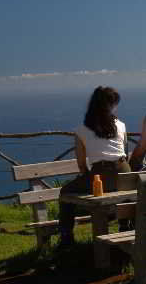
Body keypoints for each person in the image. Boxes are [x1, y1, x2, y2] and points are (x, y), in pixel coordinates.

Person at [58, 86, 131, 248]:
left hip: (100, 176)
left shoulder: (81, 130)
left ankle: (66, 237)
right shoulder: (121, 125)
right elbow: (124, 152)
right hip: (125, 173)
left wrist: (89, 179)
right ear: (110, 106)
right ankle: (124, 225)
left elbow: (81, 164)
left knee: (64, 192)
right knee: (124, 191)